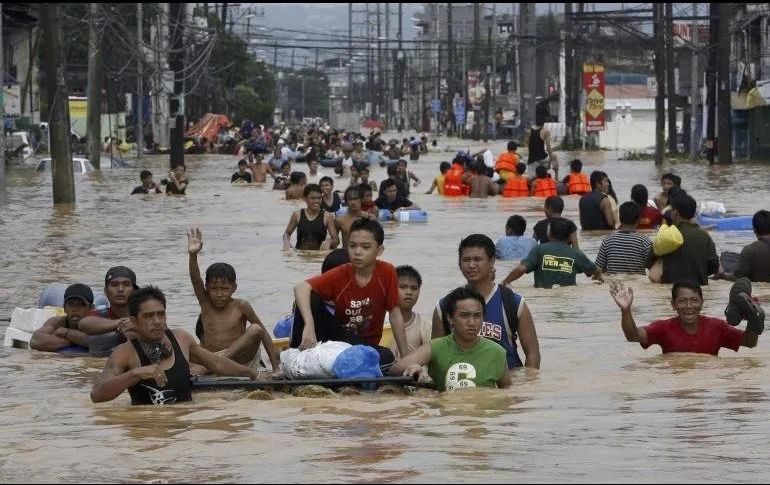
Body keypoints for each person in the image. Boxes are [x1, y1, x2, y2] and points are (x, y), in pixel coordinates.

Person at [90, 286, 262, 405]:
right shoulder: (124, 353)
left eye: (161, 314)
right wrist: (135, 374)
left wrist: (253, 375)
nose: (157, 322)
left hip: (183, 426)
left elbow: (216, 363)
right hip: (147, 430)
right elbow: (97, 395)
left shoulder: (181, 339)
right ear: (134, 321)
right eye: (149, 316)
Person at [293, 218, 410, 366]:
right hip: (337, 339)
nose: (357, 252)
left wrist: (407, 359)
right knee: (312, 297)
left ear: (379, 250)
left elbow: (395, 314)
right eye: (352, 246)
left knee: (386, 356)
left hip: (364, 345)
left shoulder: (387, 272)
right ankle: (298, 355)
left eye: (365, 247)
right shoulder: (342, 272)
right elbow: (301, 288)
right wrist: (309, 325)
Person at [433, 234, 540, 369]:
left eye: (477, 259)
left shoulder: (514, 303)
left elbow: (533, 354)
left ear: (492, 261)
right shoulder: (444, 306)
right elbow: (435, 355)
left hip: (507, 386)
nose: (471, 265)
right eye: (466, 260)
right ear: (459, 264)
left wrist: (527, 386)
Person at [187, 228, 281, 375]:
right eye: (214, 289)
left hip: (238, 360)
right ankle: (212, 364)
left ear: (234, 288)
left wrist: (276, 368)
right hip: (212, 357)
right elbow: (195, 279)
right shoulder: (205, 302)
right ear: (207, 288)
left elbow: (263, 333)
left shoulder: (241, 306)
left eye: (224, 289)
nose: (219, 294)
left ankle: (211, 365)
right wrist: (193, 255)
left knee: (256, 329)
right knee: (183, 346)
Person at [390, 286, 511, 391]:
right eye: (464, 315)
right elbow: (395, 369)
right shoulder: (435, 347)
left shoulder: (498, 352)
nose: (471, 322)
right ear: (450, 318)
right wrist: (415, 368)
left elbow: (507, 394)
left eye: (477, 316)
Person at [609, 279, 763, 356]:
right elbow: (632, 336)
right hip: (677, 388)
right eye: (682, 301)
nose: (689, 306)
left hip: (708, 385)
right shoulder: (663, 329)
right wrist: (626, 310)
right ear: (673, 305)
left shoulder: (717, 327)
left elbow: (750, 343)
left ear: (702, 303)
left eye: (694, 300)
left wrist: (753, 321)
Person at [503, 217, 603, 288]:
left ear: (549, 234)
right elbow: (595, 270)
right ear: (569, 237)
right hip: (569, 299)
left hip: (543, 298)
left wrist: (504, 282)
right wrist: (598, 278)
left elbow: (520, 269)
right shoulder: (576, 254)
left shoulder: (539, 250)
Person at [647, 194, 719, 285]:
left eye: (672, 210)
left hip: (672, 292)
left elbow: (649, 263)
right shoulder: (704, 236)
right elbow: (714, 267)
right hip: (697, 292)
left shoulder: (666, 235)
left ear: (675, 212)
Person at [79, 266, 141, 348]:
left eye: (126, 284)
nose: (120, 289)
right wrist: (121, 324)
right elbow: (84, 324)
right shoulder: (100, 315)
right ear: (106, 291)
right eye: (114, 285)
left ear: (134, 291)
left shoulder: (144, 314)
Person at [30, 284, 93, 352]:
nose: (74, 309)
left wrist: (66, 333)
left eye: (81, 304)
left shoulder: (96, 323)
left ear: (91, 308)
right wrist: (75, 340)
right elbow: (35, 341)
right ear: (64, 308)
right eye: (70, 304)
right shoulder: (57, 322)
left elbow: (96, 342)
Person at [595, 202, 652, 275]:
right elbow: (653, 270)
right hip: (636, 284)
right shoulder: (645, 241)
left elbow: (598, 269)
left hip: (614, 285)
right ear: (638, 220)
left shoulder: (608, 240)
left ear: (620, 218)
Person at [389, 265, 432, 360]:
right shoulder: (379, 322)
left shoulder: (425, 327)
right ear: (390, 287)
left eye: (414, 288)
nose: (409, 292)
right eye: (402, 287)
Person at [718, 210, 770, 282]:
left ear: (754, 229)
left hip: (758, 292)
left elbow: (738, 278)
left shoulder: (750, 250)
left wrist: (722, 274)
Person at [283, 184, 338, 251]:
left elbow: (336, 240)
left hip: (318, 256)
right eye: (313, 198)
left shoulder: (327, 216)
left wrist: (329, 242)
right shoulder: (297, 215)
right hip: (300, 256)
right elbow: (287, 233)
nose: (316, 201)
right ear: (305, 199)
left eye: (319, 198)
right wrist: (286, 241)